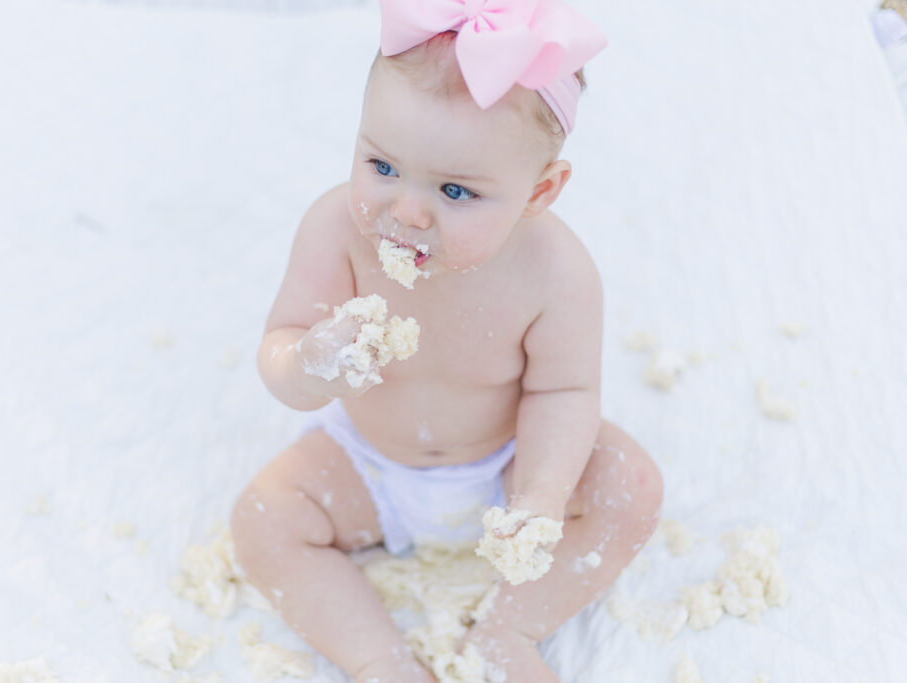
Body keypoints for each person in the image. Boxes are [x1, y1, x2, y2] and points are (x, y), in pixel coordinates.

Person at [231, 1, 663, 680]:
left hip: (507, 465)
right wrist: (312, 361)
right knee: (263, 520)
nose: (407, 209)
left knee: (629, 486)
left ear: (538, 192)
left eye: (456, 190)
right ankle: (379, 658)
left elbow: (563, 390)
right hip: (371, 465)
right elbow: (279, 349)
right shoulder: (335, 231)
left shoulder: (557, 272)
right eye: (381, 166)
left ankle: (509, 629)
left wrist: (542, 497)